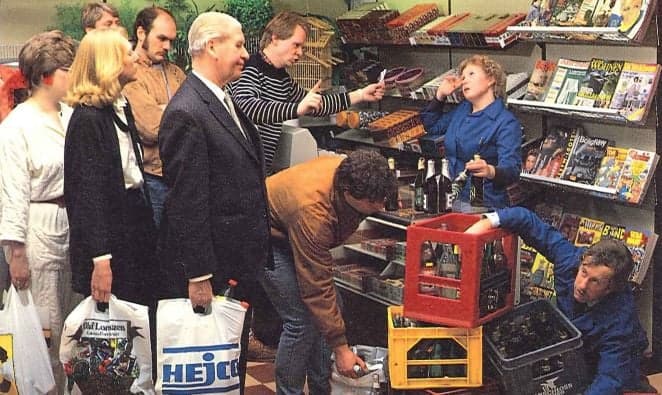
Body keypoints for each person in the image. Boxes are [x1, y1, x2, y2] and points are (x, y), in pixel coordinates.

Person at [157, 12, 270, 393]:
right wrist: (199, 274)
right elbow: (186, 202)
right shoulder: (187, 112)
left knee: (229, 365)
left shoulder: (222, 99)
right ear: (211, 46)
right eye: (238, 45)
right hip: (215, 268)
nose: (244, 54)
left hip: (235, 261)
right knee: (213, 369)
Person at [465, 207, 649, 395]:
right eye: (584, 272)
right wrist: (472, 234)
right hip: (567, 346)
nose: (582, 285)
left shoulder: (620, 320)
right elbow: (524, 219)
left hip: (607, 367)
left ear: (611, 288)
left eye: (595, 281)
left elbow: (610, 378)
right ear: (582, 261)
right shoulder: (570, 259)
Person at [260, 150, 397, 394]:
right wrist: (341, 349)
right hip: (263, 238)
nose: (380, 206)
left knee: (335, 307)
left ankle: (321, 388)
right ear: (348, 194)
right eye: (374, 201)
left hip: (289, 229)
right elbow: (316, 286)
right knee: (301, 320)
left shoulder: (354, 171)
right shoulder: (313, 212)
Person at [0, 30, 78, 394]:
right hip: (36, 226)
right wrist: (16, 253)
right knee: (45, 327)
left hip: (71, 223)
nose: (73, 76)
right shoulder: (18, 126)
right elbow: (12, 192)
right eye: (66, 69)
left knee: (70, 328)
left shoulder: (70, 114)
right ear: (45, 76)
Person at [63, 28, 156, 307]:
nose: (136, 57)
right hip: (112, 238)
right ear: (110, 63)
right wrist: (100, 261)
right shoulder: (88, 120)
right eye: (129, 53)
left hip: (134, 222)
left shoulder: (119, 107)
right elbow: (87, 197)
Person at [230, 11, 386, 174]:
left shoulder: (283, 79)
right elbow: (248, 107)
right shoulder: (250, 69)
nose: (300, 52)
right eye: (296, 45)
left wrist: (360, 94)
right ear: (275, 38)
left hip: (259, 172)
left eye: (302, 47)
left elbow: (317, 105)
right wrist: (296, 109)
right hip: (240, 173)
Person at [420, 55, 522, 210]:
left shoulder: (505, 122)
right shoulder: (463, 109)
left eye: (471, 74)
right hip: (451, 198)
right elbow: (432, 127)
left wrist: (490, 171)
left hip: (482, 204)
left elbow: (512, 170)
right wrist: (440, 95)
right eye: (463, 77)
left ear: (491, 80)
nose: (464, 81)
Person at [123, 6, 186, 227]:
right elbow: (150, 129)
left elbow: (199, 118)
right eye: (161, 38)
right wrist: (180, 113)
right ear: (141, 33)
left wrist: (162, 109)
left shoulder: (176, 72)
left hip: (182, 176)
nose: (167, 46)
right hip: (153, 178)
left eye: (171, 40)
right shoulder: (131, 74)